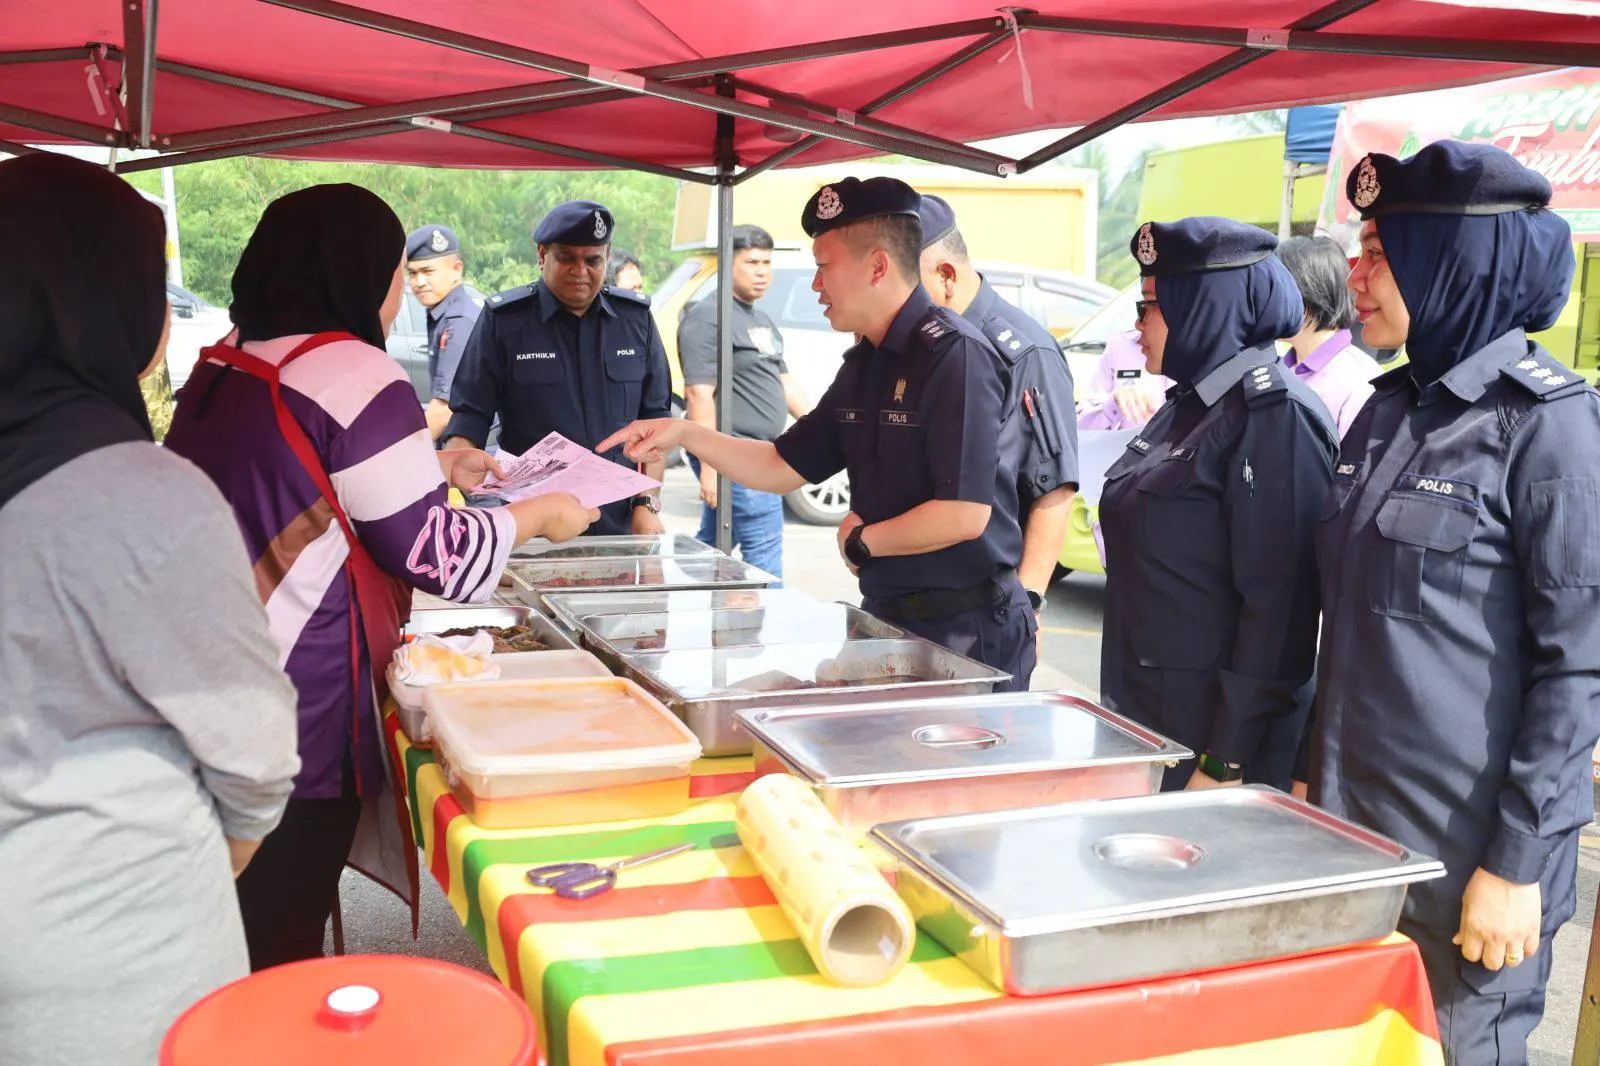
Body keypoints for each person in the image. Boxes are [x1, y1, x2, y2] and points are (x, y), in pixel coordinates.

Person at [166, 184, 596, 971]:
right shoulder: (354, 369)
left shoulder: (229, 357)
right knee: (277, 937)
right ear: (360, 269)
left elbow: (313, 485)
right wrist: (541, 515)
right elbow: (435, 553)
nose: (401, 291)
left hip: (205, 673)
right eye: (396, 268)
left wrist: (437, 463)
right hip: (296, 698)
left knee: (232, 925)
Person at [0, 154, 300, 1062]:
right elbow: (254, 757)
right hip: (111, 964)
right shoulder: (141, 495)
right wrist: (215, 861)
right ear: (119, 308)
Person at [1309, 141, 1600, 1063]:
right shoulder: (1388, 409)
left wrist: (1515, 863)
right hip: (1360, 843)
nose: (1356, 276)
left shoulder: (1549, 427)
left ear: (1455, 262)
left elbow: (1580, 666)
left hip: (1470, 866)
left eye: (1381, 253)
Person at [600, 177, 1036, 689]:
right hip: (890, 619)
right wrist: (685, 434)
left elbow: (964, 514)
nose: (815, 285)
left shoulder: (955, 355)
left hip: (965, 631)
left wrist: (863, 543)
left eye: (823, 266)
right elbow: (781, 465)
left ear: (877, 266)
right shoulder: (865, 364)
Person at [1098, 217, 1337, 792]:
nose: (1138, 327)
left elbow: (1279, 616)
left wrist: (1224, 759)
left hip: (1211, 750)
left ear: (1205, 306)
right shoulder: (1190, 405)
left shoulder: (1274, 417)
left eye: (1150, 306)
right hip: (1150, 720)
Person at [444, 200, 670, 535]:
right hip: (533, 524)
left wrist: (647, 503)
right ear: (542, 255)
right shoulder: (505, 321)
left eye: (592, 260)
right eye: (566, 258)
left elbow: (655, 425)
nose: (580, 271)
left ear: (607, 257)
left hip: (619, 523)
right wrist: (453, 494)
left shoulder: (635, 322)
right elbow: (469, 417)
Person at [916, 194, 1078, 632]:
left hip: (982, 613)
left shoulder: (1022, 352)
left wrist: (1028, 606)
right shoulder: (919, 342)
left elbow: (1054, 486)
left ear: (945, 276)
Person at [680, 223, 809, 582]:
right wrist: (710, 467)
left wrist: (828, 434)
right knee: (763, 559)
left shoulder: (759, 318)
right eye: (752, 262)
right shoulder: (708, 317)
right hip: (737, 453)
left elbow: (784, 383)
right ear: (727, 262)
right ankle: (766, 631)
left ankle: (673, 592)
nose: (762, 272)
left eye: (767, 263)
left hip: (763, 448)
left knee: (710, 547)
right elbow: (698, 395)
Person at [1274, 235, 1381, 439]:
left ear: (1307, 293)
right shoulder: (1281, 367)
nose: (1266, 303)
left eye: (1275, 291)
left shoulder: (1359, 382)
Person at [405, 223, 484, 441]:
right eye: (412, 273)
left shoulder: (459, 322)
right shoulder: (444, 313)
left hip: (469, 449)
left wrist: (400, 455)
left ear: (456, 270)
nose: (419, 282)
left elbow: (442, 410)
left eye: (428, 271)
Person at [1076, 329, 1172, 430]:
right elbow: (1081, 427)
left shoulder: (1189, 354)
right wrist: (1114, 402)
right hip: (1123, 444)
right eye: (1140, 313)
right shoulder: (1120, 345)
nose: (1138, 323)